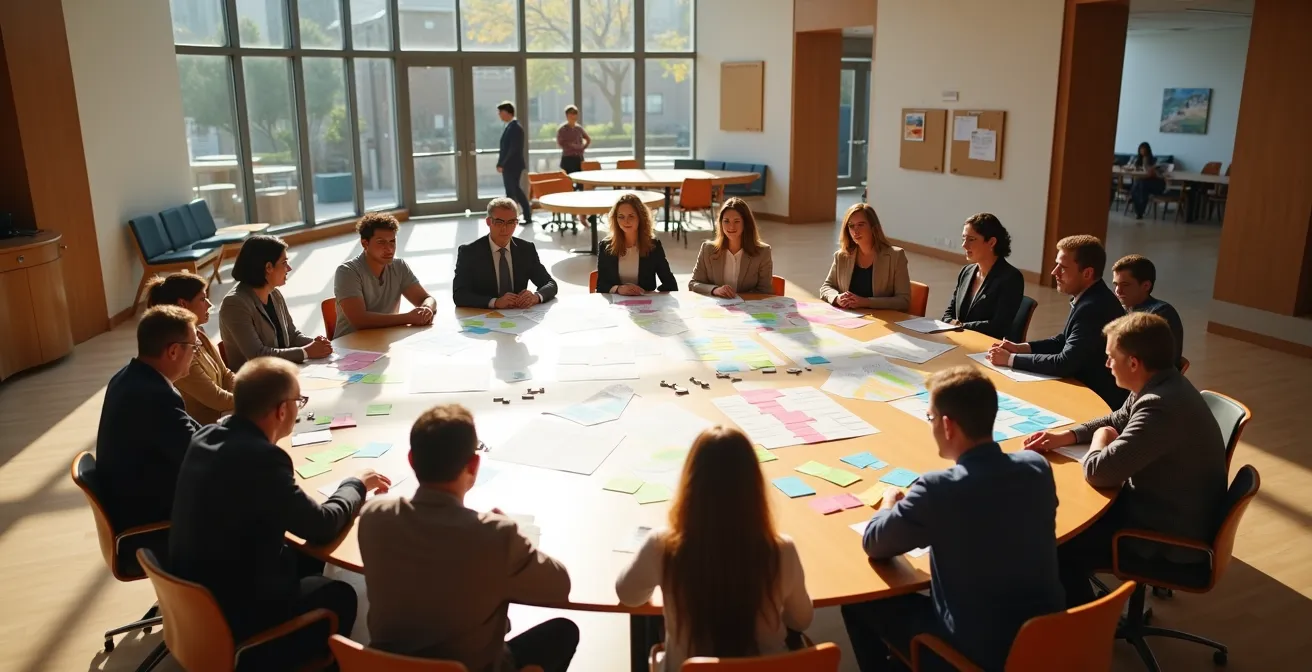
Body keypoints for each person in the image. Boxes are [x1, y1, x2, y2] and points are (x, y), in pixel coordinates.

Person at [169, 357, 391, 669]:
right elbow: (321, 526)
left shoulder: (205, 436)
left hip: (194, 600)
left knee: (306, 556)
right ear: (282, 410)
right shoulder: (262, 459)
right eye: (299, 401)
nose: (299, 409)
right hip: (234, 615)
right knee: (341, 594)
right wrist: (356, 484)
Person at [841, 367, 1064, 671]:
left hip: (976, 653)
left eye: (930, 417)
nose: (930, 425)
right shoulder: (1036, 467)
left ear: (947, 426)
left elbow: (875, 543)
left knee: (859, 601)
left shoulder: (937, 489)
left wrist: (889, 503)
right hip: (1046, 637)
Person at [1025, 313, 1226, 607]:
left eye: (1111, 357)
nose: (1107, 364)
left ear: (1133, 363)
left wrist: (1100, 438)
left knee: (1057, 541)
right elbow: (1118, 418)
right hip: (1167, 506)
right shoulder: (1160, 382)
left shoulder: (1160, 407)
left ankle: (1086, 621)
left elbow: (1099, 471)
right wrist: (1067, 436)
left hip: (1163, 534)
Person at [360, 404, 578, 672]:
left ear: (412, 459)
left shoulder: (374, 516)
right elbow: (559, 586)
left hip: (386, 666)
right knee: (563, 632)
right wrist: (516, 536)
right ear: (474, 465)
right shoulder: (496, 536)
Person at [616, 426, 812, 670]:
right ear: (754, 485)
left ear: (690, 484)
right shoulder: (782, 550)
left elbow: (628, 596)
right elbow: (801, 620)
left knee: (650, 625)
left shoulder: (662, 545)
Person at [987, 235, 1128, 410]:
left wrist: (1010, 359)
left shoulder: (1094, 307)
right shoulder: (1090, 296)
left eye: (1063, 267)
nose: (1054, 272)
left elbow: (1064, 363)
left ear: (1087, 273)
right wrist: (1021, 348)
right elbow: (1063, 341)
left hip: (1095, 401)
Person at [96, 305, 201, 532]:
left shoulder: (128, 377)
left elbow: (190, 433)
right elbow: (197, 456)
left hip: (136, 495)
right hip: (150, 520)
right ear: (173, 351)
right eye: (195, 346)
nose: (196, 353)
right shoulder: (155, 396)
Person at [220, 235, 332, 372]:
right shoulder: (235, 304)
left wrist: (317, 344)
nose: (289, 268)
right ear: (268, 267)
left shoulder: (274, 293)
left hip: (283, 371)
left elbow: (292, 335)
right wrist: (306, 352)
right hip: (257, 379)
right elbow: (257, 355)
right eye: (284, 263)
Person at [146, 272, 236, 425]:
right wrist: (253, 399)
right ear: (183, 304)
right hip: (205, 428)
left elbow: (226, 374)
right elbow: (217, 399)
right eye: (202, 299)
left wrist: (248, 390)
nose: (209, 304)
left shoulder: (199, 333)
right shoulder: (179, 353)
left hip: (224, 414)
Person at [333, 212, 435, 338]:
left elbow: (427, 298)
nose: (389, 249)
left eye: (392, 241)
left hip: (385, 339)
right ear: (365, 244)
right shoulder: (347, 271)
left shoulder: (399, 266)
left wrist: (426, 308)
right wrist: (408, 318)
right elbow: (360, 320)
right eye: (381, 242)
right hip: (349, 344)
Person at [453, 198, 560, 309]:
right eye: (499, 222)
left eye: (511, 222)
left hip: (518, 315)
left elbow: (550, 284)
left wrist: (536, 297)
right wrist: (495, 302)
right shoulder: (469, 252)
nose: (505, 228)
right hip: (484, 315)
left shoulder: (526, 249)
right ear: (488, 222)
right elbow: (459, 295)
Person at [941, 213, 1025, 340]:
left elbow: (998, 326)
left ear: (991, 242)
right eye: (963, 238)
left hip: (987, 346)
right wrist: (952, 323)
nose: (964, 245)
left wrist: (960, 327)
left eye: (971, 239)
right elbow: (948, 314)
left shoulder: (1011, 278)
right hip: (959, 340)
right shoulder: (966, 272)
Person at [819, 203, 911, 311]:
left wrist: (866, 302)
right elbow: (826, 287)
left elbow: (903, 301)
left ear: (873, 227)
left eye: (861, 224)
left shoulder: (896, 256)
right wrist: (837, 298)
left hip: (881, 319)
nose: (855, 231)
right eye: (851, 226)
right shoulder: (841, 256)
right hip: (849, 317)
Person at [688, 198, 774, 297]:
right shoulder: (707, 249)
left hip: (748, 306)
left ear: (746, 223)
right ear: (720, 223)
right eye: (726, 221)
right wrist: (715, 290)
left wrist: (741, 300)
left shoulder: (763, 252)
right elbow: (693, 284)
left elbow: (765, 291)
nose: (731, 227)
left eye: (737, 221)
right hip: (717, 306)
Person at [1111, 254, 1185, 368]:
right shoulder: (1123, 309)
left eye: (1125, 285)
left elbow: (1151, 364)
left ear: (1146, 286)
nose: (1118, 291)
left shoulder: (1161, 314)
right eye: (1116, 284)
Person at [597, 192, 678, 295]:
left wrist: (651, 295)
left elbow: (670, 284)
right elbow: (601, 285)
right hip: (616, 302)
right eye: (621, 217)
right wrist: (618, 289)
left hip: (645, 302)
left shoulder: (653, 245)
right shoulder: (606, 246)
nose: (626, 221)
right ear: (615, 219)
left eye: (631, 216)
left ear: (641, 217)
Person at [496, 101, 532, 225]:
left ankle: (515, 216)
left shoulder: (515, 128)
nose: (499, 115)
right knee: (514, 190)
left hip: (512, 165)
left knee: (512, 191)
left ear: (507, 112)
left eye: (501, 112)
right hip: (511, 165)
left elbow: (513, 149)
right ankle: (523, 215)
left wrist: (502, 163)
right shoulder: (510, 127)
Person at [1127, 142, 1167, 220]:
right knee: (1139, 185)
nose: (1143, 152)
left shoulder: (1154, 160)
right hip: (1143, 183)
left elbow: (1157, 174)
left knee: (1140, 185)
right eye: (1141, 150)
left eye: (1144, 150)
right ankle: (1138, 211)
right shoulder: (1137, 160)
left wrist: (1150, 168)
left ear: (1148, 151)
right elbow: (1134, 171)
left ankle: (1138, 209)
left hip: (1156, 183)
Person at [556, 105, 591, 176]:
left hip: (579, 158)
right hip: (568, 158)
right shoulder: (562, 129)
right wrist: (571, 146)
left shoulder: (579, 128)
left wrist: (582, 148)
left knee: (580, 178)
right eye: (571, 113)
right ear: (567, 115)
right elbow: (560, 143)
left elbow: (588, 139)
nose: (573, 116)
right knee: (568, 179)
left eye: (575, 113)